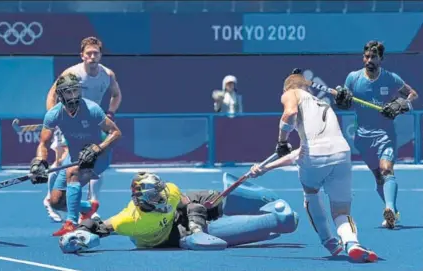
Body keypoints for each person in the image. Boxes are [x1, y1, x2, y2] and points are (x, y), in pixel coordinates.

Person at [250, 71, 378, 262]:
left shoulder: (291, 92)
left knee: (310, 193)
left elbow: (290, 113)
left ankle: (329, 242)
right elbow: (299, 153)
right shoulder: (323, 104)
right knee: (341, 212)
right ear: (308, 87)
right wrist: (264, 168)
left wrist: (281, 141)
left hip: (314, 157)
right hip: (342, 153)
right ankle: (352, 243)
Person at [58, 172, 299, 253]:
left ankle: (263, 199)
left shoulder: (170, 192)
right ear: (142, 200)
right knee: (207, 230)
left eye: (160, 191)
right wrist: (77, 236)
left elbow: (185, 203)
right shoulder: (130, 221)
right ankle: (277, 220)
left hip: (183, 216)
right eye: (154, 196)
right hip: (172, 236)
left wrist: (203, 210)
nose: (161, 196)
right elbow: (99, 227)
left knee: (207, 200)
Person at [334, 40, 419, 229]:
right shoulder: (353, 79)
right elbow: (345, 104)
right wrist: (341, 100)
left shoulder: (391, 78)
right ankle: (393, 212)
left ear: (381, 58)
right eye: (366, 56)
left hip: (385, 135)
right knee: (378, 177)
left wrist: (400, 104)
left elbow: (412, 94)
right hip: (362, 138)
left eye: (373, 56)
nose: (369, 60)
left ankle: (389, 207)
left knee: (386, 169)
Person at [30, 73, 122, 236]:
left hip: (98, 156)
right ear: (60, 95)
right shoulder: (54, 114)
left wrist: (98, 149)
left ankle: (71, 223)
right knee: (56, 202)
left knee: (73, 173)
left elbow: (115, 133)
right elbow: (43, 144)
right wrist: (40, 163)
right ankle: (88, 207)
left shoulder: (92, 109)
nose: (73, 96)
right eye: (68, 92)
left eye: (75, 91)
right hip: (73, 157)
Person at [43, 36, 122, 222]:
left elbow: (116, 95)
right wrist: (57, 117)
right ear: (82, 55)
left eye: (96, 53)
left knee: (92, 161)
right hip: (69, 120)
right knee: (62, 160)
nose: (92, 56)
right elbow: (52, 94)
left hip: (92, 121)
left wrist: (111, 112)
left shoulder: (108, 75)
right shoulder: (72, 73)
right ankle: (50, 198)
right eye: (89, 53)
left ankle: (90, 204)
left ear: (100, 55)